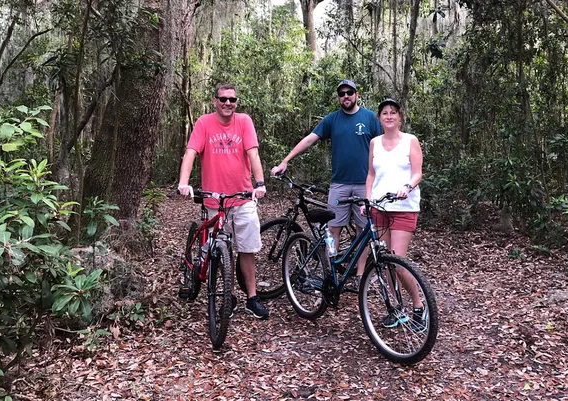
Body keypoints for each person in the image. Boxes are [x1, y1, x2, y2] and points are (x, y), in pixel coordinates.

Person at [271, 79, 382, 290]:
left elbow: (384, 146)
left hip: (365, 184)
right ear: (339, 97)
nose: (346, 96)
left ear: (357, 94)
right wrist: (286, 160)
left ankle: (360, 276)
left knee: (362, 230)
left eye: (350, 92)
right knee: (334, 229)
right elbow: (310, 139)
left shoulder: (369, 118)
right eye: (342, 93)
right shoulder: (332, 120)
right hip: (339, 184)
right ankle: (331, 275)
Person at [178, 83, 269, 319]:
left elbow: (253, 153)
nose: (228, 103)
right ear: (215, 101)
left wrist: (259, 184)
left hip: (242, 198)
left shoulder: (244, 122)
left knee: (247, 249)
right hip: (214, 201)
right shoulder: (204, 123)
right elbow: (190, 152)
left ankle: (252, 297)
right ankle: (229, 297)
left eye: (232, 100)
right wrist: (184, 182)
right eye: (223, 99)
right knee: (222, 250)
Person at [364, 98, 426, 332]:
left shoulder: (411, 141)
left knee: (398, 263)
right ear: (379, 118)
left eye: (393, 113)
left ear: (400, 117)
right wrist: (368, 200)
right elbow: (370, 174)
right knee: (384, 263)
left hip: (404, 208)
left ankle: (419, 306)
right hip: (379, 208)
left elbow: (418, 173)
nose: (389, 116)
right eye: (384, 113)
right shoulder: (374, 143)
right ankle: (397, 309)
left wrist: (407, 187)